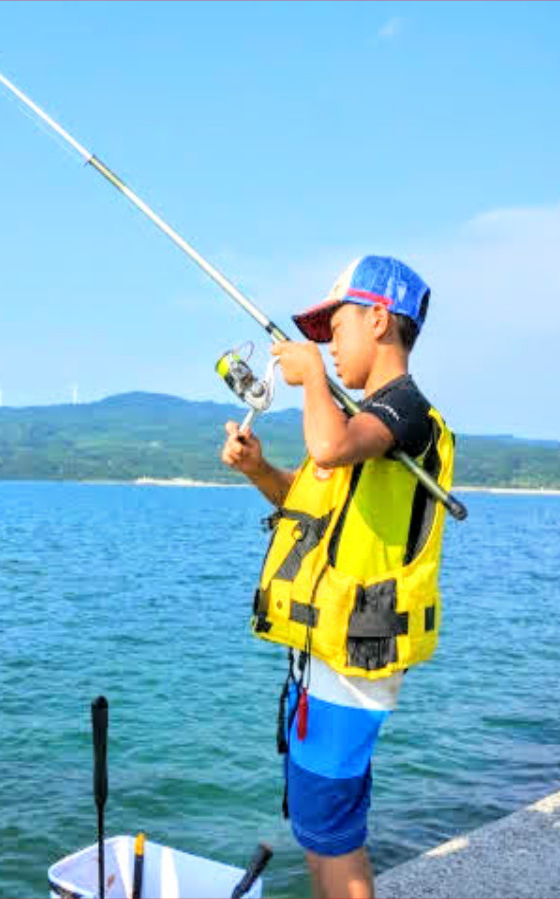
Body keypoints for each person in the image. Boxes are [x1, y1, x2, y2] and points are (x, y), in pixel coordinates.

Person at [220, 256, 455, 898]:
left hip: (352, 664)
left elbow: (328, 448)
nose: (326, 343)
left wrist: (313, 379)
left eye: (336, 327)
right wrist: (258, 470)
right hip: (326, 654)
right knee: (321, 831)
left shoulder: (403, 410)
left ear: (378, 320)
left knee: (334, 836)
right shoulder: (361, 420)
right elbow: (308, 497)